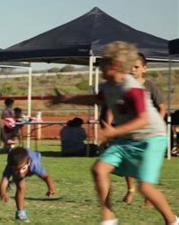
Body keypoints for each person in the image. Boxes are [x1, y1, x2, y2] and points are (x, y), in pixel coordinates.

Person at [51, 41, 177, 225]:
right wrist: (65, 99)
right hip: (128, 138)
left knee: (145, 187)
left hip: (151, 139)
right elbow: (96, 99)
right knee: (99, 169)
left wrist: (115, 130)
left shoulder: (132, 88)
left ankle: (172, 220)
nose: (99, 65)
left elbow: (143, 119)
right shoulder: (109, 86)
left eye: (103, 62)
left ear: (115, 65)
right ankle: (108, 216)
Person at [122, 52, 167, 205]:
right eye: (130, 67)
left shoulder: (150, 86)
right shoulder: (124, 86)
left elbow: (161, 107)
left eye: (136, 66)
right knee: (129, 161)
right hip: (130, 131)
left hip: (149, 133)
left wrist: (156, 126)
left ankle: (149, 194)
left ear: (144, 68)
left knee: (146, 163)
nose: (132, 69)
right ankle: (130, 190)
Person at [0, 147, 55, 222]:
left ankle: (13, 181)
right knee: (21, 187)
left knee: (19, 178)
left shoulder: (35, 165)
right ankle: (20, 213)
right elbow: (4, 180)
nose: (20, 172)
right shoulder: (11, 166)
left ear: (28, 163)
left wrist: (51, 188)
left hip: (31, 162)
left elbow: (46, 177)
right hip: (18, 161)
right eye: (16, 169)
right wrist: (3, 193)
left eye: (22, 168)